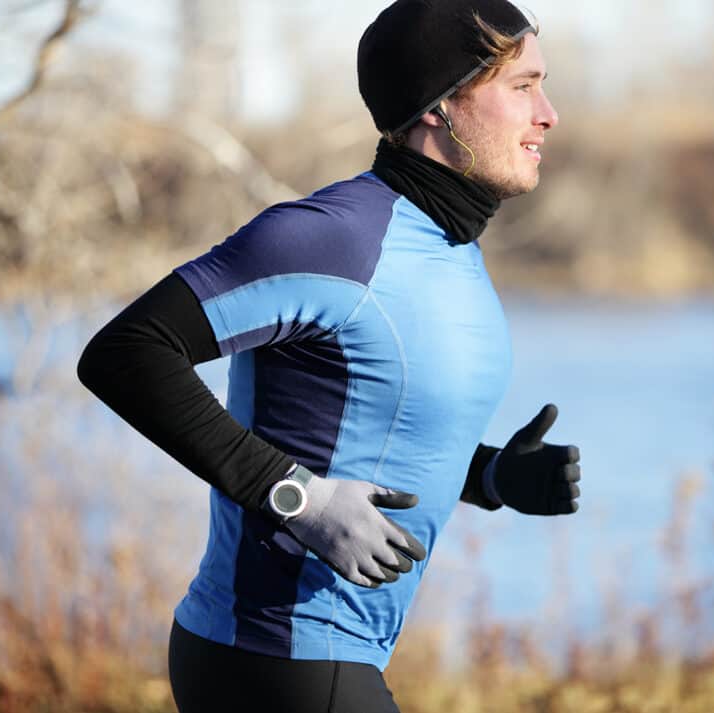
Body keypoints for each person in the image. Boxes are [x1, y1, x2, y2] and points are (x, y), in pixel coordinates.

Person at [77, 1, 580, 711]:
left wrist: (490, 474)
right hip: (275, 655)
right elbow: (127, 350)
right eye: (522, 87)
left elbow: (367, 428)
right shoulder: (334, 238)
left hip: (320, 658)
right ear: (438, 105)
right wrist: (296, 497)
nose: (548, 114)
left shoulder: (448, 245)